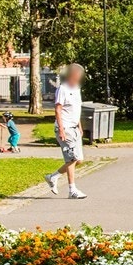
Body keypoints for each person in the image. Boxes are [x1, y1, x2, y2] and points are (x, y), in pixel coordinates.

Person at [45, 64, 87, 199]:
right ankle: (72, 190)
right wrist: (61, 129)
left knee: (79, 160)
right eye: (77, 75)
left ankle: (53, 177)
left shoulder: (77, 89)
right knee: (72, 158)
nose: (79, 78)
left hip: (74, 127)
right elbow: (58, 110)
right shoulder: (62, 89)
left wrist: (79, 125)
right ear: (71, 74)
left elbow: (76, 109)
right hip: (65, 128)